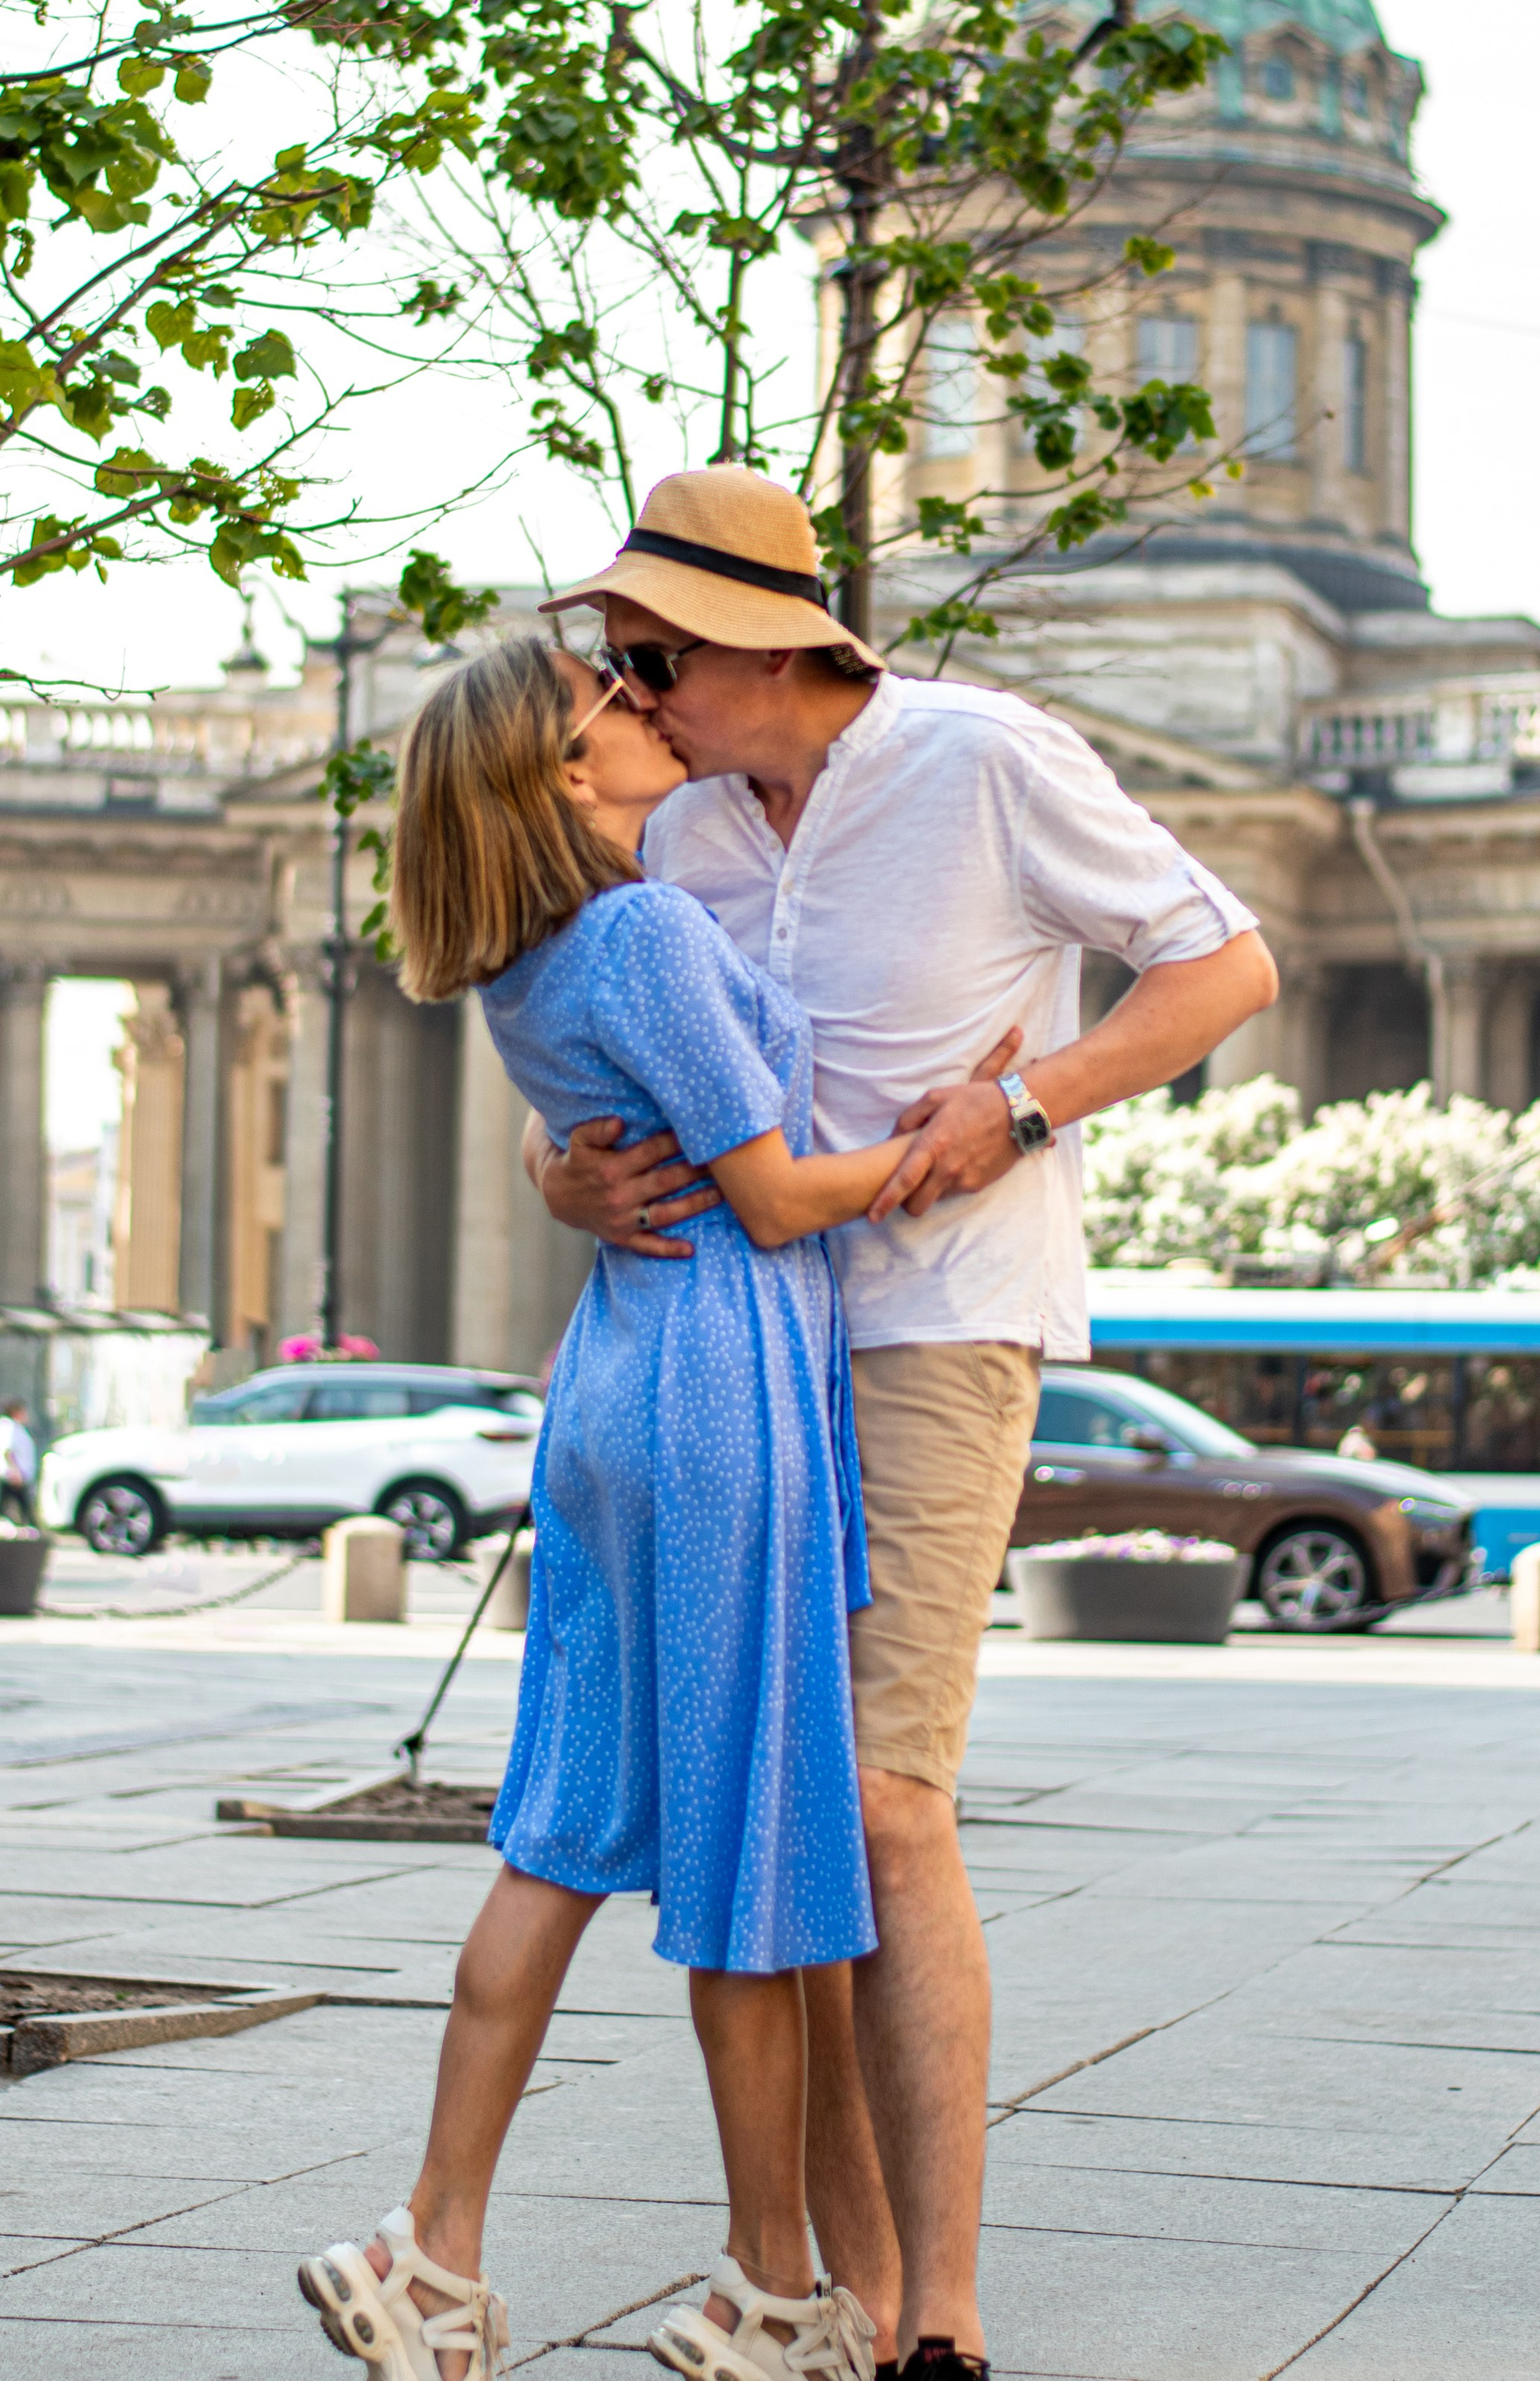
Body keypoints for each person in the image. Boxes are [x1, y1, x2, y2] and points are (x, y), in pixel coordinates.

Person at [528, 466, 1278, 2381]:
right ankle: (846, 2296)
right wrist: (561, 1171)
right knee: (781, 1817)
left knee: (882, 1795)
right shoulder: (677, 827)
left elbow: (1221, 961)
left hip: (938, 1323)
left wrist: (1024, 1107)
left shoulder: (981, 757)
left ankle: (937, 2304)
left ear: (750, 642)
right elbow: (597, 1055)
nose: (620, 688)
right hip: (726, 1338)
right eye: (615, 657)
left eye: (644, 653)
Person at [301, 636, 1000, 2381]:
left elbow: (643, 1151)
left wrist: (567, 1174)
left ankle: (431, 2251)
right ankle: (773, 2293)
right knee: (752, 1851)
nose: (641, 707)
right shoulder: (644, 930)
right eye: (607, 702)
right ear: (563, 769)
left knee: (557, 1831)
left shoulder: (523, 962)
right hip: (722, 1389)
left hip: (612, 1384)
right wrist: (985, 1125)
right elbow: (771, 1198)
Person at [0, 1398, 37, 1525]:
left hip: (12, 1476)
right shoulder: (8, 1426)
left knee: (2, 1507)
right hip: (11, 1476)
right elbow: (8, 1451)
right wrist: (15, 1471)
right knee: (20, 1507)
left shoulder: (11, 1426)